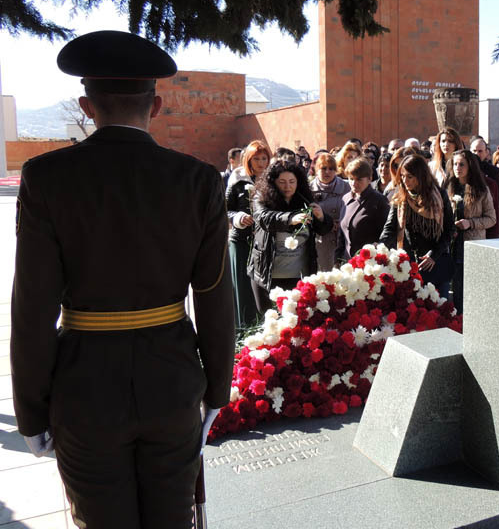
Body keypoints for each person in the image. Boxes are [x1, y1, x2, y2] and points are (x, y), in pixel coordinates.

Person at [11, 30, 235, 528]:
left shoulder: (47, 178)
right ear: (155, 105)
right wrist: (217, 390)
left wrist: (31, 409)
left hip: (85, 388)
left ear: (87, 106)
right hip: (172, 381)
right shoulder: (197, 180)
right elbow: (217, 298)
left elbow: (32, 308)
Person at [249, 160, 333, 313]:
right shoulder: (261, 197)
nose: (288, 187)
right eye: (282, 182)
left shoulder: (305, 199)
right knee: (268, 321)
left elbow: (323, 229)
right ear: (273, 182)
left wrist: (321, 217)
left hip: (298, 276)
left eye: (292, 182)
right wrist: (290, 219)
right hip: (267, 274)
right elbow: (263, 218)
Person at [380, 154, 455, 296]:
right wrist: (379, 250)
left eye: (409, 176)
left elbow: (449, 229)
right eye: (402, 176)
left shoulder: (439, 195)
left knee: (440, 312)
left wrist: (434, 254)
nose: (404, 180)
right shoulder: (401, 196)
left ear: (420, 176)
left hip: (436, 262)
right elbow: (390, 228)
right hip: (410, 264)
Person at [443, 151, 496, 313]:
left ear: (470, 166)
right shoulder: (447, 187)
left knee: (470, 290)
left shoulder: (481, 190)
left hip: (472, 245)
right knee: (455, 289)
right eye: (455, 164)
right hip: (451, 245)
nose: (457, 168)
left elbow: (491, 219)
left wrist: (470, 223)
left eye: (462, 164)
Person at [226, 140, 270, 329]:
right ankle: (243, 331)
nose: (260, 163)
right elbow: (225, 210)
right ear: (248, 160)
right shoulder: (238, 179)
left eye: (264, 158)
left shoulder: (274, 180)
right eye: (256, 159)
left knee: (263, 292)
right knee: (243, 290)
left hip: (266, 243)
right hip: (242, 241)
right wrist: (239, 218)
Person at [336, 157, 391, 262]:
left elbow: (386, 235)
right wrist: (337, 261)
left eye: (359, 179)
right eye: (351, 179)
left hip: (370, 264)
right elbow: (341, 235)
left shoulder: (379, 201)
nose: (354, 183)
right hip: (347, 261)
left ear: (370, 179)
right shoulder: (346, 198)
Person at [309, 152, 349, 272]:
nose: (327, 172)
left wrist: (340, 224)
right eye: (323, 168)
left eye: (331, 169)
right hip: (320, 241)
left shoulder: (346, 187)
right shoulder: (309, 189)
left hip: (341, 239)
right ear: (316, 170)